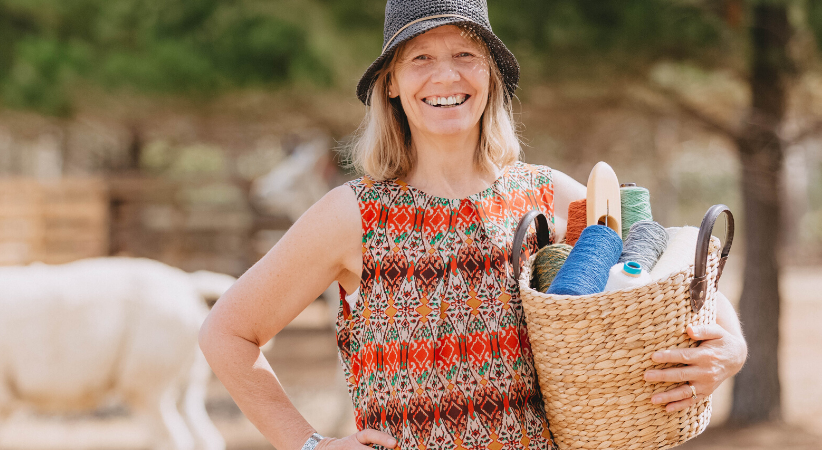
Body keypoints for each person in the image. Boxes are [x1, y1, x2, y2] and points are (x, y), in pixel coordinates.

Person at [198, 1, 748, 449]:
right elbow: (227, 333)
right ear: (391, 84)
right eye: (420, 59)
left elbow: (679, 264)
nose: (447, 75)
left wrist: (731, 349)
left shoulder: (547, 193)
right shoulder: (353, 215)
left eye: (466, 53)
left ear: (490, 76)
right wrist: (311, 445)